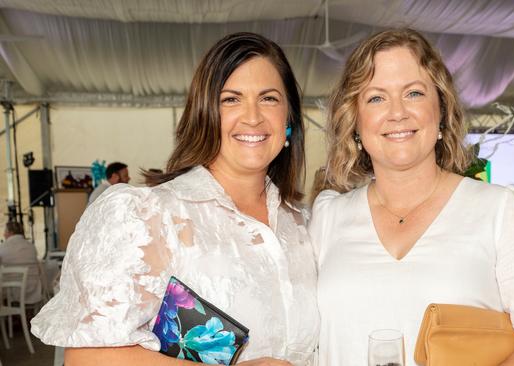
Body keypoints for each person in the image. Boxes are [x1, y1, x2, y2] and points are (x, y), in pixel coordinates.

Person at [31, 32, 318, 366]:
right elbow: (88, 357)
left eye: (269, 98)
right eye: (231, 99)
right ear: (204, 114)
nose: (252, 116)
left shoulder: (304, 222)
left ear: (290, 119)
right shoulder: (146, 216)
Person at [309, 28, 514, 366]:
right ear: (355, 120)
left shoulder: (502, 211)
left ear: (441, 109)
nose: (397, 112)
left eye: (413, 93)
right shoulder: (328, 217)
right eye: (376, 97)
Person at [0, 220, 42, 305]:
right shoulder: (31, 246)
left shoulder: (2, 248)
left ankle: (6, 313)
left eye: (5, 231)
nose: (4, 234)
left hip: (12, 290)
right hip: (33, 288)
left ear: (11, 232)